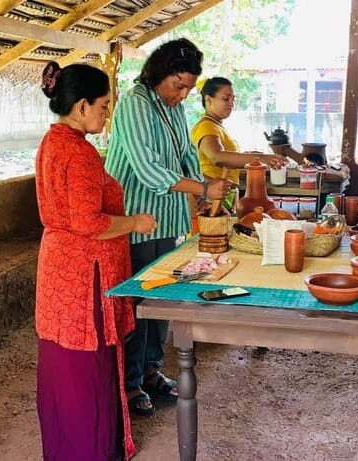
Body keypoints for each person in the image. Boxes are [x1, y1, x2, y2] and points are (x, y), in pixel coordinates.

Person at [35, 62, 155, 460]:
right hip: (85, 274)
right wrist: (135, 222)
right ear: (82, 105)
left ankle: (65, 448)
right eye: (103, 106)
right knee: (88, 365)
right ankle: (92, 450)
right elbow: (89, 222)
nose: (107, 114)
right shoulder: (81, 153)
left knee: (63, 364)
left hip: (59, 268)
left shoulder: (52, 142)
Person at [105, 38, 231, 416]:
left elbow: (186, 157)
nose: (183, 94)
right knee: (139, 301)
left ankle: (152, 369)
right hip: (139, 218)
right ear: (160, 74)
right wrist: (204, 186)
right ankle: (129, 382)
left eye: (190, 88)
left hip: (171, 217)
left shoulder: (175, 107)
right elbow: (149, 169)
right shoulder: (135, 104)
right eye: (178, 85)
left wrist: (202, 194)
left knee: (163, 299)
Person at [190, 77, 284, 210]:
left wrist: (256, 155)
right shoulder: (206, 126)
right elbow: (217, 157)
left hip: (224, 194)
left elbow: (229, 156)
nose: (231, 104)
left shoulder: (216, 127)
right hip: (211, 195)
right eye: (226, 98)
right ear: (208, 99)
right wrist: (261, 158)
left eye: (233, 99)